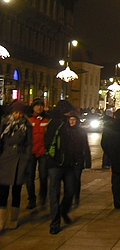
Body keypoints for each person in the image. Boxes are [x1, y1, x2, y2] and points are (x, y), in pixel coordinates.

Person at [45, 100, 88, 235]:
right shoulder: (55, 124)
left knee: (70, 191)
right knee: (55, 194)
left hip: (69, 164)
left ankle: (63, 211)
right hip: (56, 165)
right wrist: (54, 157)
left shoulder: (69, 124)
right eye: (69, 111)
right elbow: (48, 142)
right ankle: (55, 223)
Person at [0, 101, 33, 231]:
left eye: (20, 113)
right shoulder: (4, 124)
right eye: (15, 112)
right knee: (3, 190)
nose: (18, 115)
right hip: (5, 159)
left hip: (20, 159)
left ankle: (13, 219)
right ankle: (1, 220)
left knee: (16, 190)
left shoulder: (27, 126)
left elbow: (29, 143)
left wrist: (26, 157)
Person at [26, 98, 50, 209]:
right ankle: (31, 199)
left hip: (43, 152)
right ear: (33, 107)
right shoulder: (29, 120)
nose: (39, 108)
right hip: (31, 152)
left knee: (43, 176)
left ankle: (43, 197)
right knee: (29, 177)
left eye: (41, 105)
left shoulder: (47, 120)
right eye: (37, 105)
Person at [67, 111, 91, 207]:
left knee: (76, 179)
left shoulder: (81, 132)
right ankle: (69, 196)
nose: (72, 122)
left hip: (78, 158)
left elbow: (86, 146)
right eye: (70, 120)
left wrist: (88, 161)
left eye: (74, 120)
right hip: (68, 159)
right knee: (69, 179)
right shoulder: (65, 131)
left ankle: (76, 196)